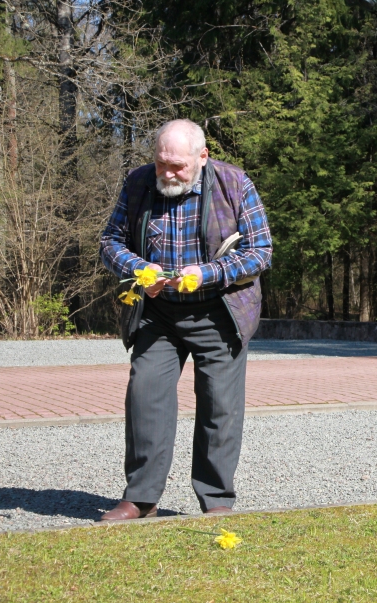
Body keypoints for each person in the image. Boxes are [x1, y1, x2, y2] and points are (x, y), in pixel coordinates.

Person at [98, 119, 272, 520]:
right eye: (161, 163)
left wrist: (207, 273)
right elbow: (110, 242)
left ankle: (216, 499)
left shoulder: (234, 183)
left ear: (202, 157)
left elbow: (261, 251)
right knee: (145, 397)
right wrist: (139, 269)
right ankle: (141, 497)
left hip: (220, 311)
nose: (167, 173)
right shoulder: (138, 182)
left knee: (219, 406)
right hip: (157, 313)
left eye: (177, 166)